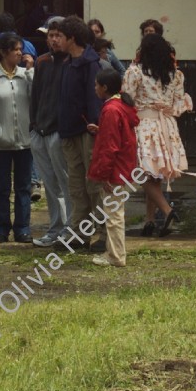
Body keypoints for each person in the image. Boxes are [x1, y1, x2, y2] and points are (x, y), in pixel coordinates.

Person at [122, 32, 192, 237]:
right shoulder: (176, 74)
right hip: (167, 125)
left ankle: (167, 211)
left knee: (143, 172)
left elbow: (126, 98)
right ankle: (149, 220)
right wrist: (168, 109)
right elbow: (180, 102)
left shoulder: (135, 72)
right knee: (155, 174)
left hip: (145, 124)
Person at [55, 16, 103, 250]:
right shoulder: (67, 63)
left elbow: (94, 99)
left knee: (94, 184)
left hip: (87, 133)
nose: (56, 41)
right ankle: (80, 233)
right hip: (69, 132)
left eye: (60, 36)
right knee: (76, 186)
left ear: (72, 38)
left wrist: (93, 127)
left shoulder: (90, 63)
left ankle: (103, 233)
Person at [0, 32, 35, 243]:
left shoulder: (26, 75)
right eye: (16, 50)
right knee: (2, 187)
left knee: (23, 187)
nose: (21, 53)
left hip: (25, 142)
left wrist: (30, 71)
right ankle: (1, 229)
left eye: (21, 49)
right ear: (4, 52)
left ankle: (22, 228)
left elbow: (37, 97)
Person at [87, 64, 140, 267]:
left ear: (105, 87)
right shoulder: (122, 107)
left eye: (96, 85)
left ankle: (116, 256)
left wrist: (104, 175)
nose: (95, 88)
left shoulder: (110, 109)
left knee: (114, 215)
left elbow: (110, 147)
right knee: (116, 213)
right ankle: (114, 253)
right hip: (124, 167)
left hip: (115, 171)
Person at [27, 17, 71, 248]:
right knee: (50, 184)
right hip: (39, 130)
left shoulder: (73, 63)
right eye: (50, 35)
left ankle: (70, 229)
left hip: (59, 131)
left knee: (66, 182)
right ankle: (55, 229)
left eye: (58, 35)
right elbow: (35, 96)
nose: (53, 40)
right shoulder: (42, 62)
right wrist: (33, 126)